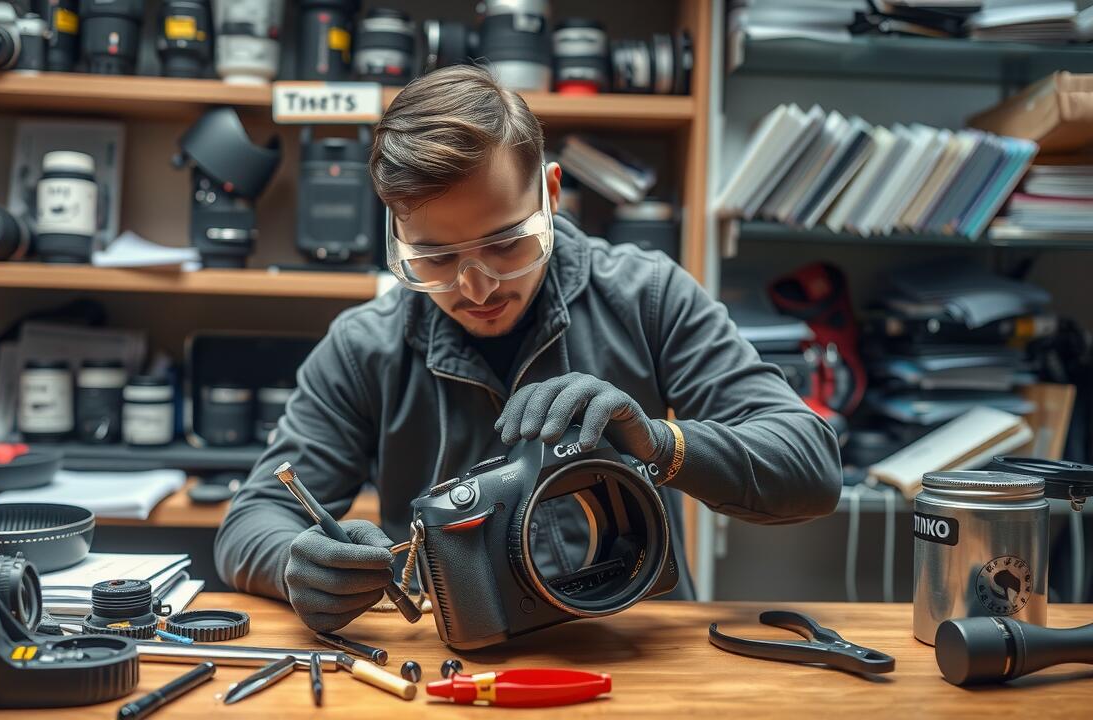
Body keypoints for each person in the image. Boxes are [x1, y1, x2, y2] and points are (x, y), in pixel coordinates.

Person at [214, 65, 841, 633]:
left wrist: (662, 445)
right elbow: (254, 518)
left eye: (506, 243)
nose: (476, 286)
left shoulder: (648, 296)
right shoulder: (363, 348)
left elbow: (810, 465)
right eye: (433, 257)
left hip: (641, 651)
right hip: (459, 667)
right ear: (395, 232)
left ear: (551, 193)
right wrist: (301, 564)